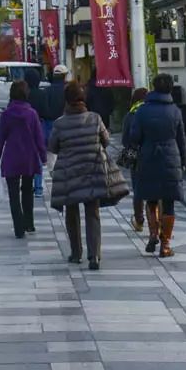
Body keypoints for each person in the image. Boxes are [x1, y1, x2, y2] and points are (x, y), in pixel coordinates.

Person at [48, 80, 112, 269]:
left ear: (66, 100)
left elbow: (52, 147)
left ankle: (76, 253)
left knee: (72, 212)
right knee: (93, 212)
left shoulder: (60, 123)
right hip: (92, 170)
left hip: (70, 173)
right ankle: (95, 256)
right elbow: (106, 141)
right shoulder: (95, 118)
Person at [129, 73, 186, 257]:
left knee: (150, 197)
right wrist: (184, 161)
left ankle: (153, 233)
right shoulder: (175, 111)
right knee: (168, 201)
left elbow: (134, 138)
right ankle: (166, 245)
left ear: (153, 88)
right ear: (170, 89)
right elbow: (182, 140)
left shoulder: (142, 111)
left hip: (148, 156)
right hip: (171, 157)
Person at [0, 81, 48, 238]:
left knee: (13, 194)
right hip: (29, 157)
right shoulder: (32, 114)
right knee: (28, 191)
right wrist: (43, 157)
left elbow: (0, 138)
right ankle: (29, 224)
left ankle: (18, 228)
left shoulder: (6, 115)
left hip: (11, 157)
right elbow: (39, 138)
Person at [30, 66, 67, 197]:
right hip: (62, 126)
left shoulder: (46, 91)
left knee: (40, 158)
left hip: (44, 126)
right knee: (57, 157)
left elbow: (45, 111)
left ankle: (39, 188)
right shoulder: (67, 91)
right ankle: (60, 185)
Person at [121, 86, 149, 233]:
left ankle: (139, 220)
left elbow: (125, 140)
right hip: (152, 156)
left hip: (136, 157)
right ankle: (155, 222)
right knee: (153, 190)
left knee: (138, 189)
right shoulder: (152, 112)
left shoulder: (130, 115)